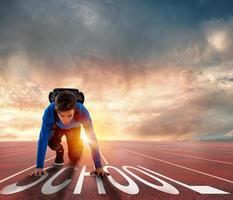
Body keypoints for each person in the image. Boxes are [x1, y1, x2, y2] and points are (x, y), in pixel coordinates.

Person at [31, 90, 109, 177]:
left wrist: (98, 166)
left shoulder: (82, 111)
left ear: (75, 110)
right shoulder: (49, 111)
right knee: (52, 143)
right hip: (57, 127)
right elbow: (43, 138)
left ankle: (79, 144)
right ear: (56, 111)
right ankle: (60, 151)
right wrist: (39, 166)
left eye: (70, 115)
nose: (66, 120)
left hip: (74, 129)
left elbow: (92, 138)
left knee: (74, 157)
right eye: (62, 115)